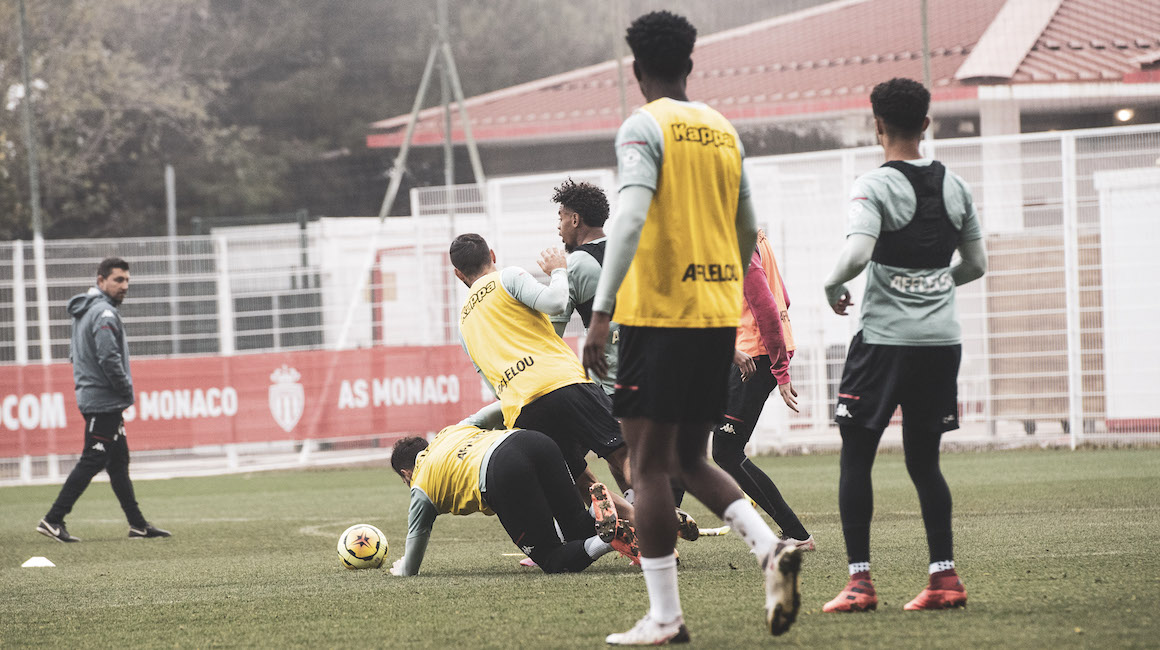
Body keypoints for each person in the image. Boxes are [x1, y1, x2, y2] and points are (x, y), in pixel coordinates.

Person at [583, 11, 802, 644]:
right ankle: (770, 549)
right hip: (714, 320)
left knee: (647, 467)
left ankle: (666, 617)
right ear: (690, 64)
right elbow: (746, 227)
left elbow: (628, 219)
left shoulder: (643, 125)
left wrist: (601, 313)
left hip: (656, 317)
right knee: (691, 458)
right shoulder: (721, 130)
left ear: (636, 69)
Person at [821, 78, 986, 613]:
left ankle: (859, 583)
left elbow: (857, 254)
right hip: (941, 342)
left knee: (856, 458)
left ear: (877, 125)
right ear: (926, 124)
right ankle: (944, 578)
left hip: (884, 343)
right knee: (924, 461)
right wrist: (934, 284)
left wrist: (831, 284)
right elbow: (976, 265)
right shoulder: (957, 186)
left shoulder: (874, 185)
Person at [449, 233, 632, 516]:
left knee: (579, 479)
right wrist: (558, 270)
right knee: (624, 452)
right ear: (492, 255)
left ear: (458, 273)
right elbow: (556, 303)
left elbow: (491, 384)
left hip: (522, 409)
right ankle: (656, 516)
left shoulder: (462, 323)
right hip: (561, 382)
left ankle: (633, 521)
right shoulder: (507, 278)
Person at [388, 403, 638, 576]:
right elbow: (498, 408)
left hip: (502, 469)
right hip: (532, 441)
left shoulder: (420, 486)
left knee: (553, 559)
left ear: (406, 473)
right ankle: (597, 512)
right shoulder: (450, 432)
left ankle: (608, 540)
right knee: (576, 527)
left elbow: (411, 564)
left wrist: (402, 568)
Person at [37, 257, 170, 542]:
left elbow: (74, 355)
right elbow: (109, 358)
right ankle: (53, 518)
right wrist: (124, 390)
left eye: (127, 280)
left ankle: (138, 524)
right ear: (101, 281)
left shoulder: (85, 310)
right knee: (93, 458)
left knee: (118, 460)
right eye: (118, 280)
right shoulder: (104, 313)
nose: (125, 286)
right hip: (103, 400)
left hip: (96, 396)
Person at [711, 230, 813, 549]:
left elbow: (767, 306)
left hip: (754, 356)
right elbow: (783, 297)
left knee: (726, 451)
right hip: (754, 351)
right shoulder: (754, 235)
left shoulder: (735, 242)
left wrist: (780, 369)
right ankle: (669, 513)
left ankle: (797, 534)